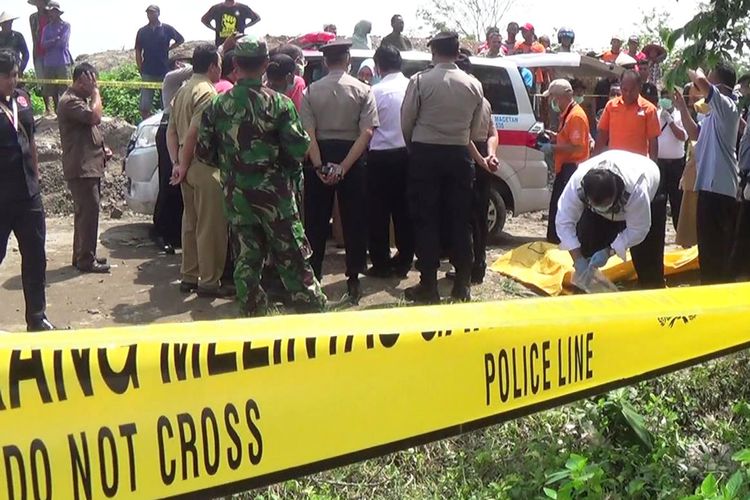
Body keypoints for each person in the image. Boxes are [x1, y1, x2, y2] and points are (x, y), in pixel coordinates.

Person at [196, 35, 327, 317]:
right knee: (292, 255)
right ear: (266, 64)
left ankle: (253, 315)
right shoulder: (279, 104)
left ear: (236, 64)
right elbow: (299, 148)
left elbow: (203, 153)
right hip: (275, 197)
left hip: (237, 197)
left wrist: (233, 164)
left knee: (246, 259)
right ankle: (313, 312)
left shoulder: (218, 106)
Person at [401, 31, 484, 304]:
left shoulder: (421, 81)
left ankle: (429, 286)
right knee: (460, 220)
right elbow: (474, 129)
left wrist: (416, 149)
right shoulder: (473, 84)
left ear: (434, 52)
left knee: (426, 220)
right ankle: (462, 284)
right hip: (459, 156)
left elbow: (407, 122)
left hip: (425, 154)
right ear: (458, 53)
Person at [300, 40, 379, 305]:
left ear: (324, 62)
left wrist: (321, 164)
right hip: (353, 158)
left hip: (319, 155)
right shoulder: (363, 90)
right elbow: (367, 132)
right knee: (354, 221)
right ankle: (354, 280)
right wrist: (344, 167)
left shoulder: (311, 91)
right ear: (348, 59)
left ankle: (314, 277)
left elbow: (307, 133)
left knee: (315, 222)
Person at [167, 44, 232, 297]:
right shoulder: (207, 93)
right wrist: (183, 165)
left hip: (185, 164)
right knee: (211, 226)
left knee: (191, 223)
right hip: (204, 164)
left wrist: (177, 165)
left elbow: (171, 131)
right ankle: (209, 281)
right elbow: (194, 133)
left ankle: (189, 275)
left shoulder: (183, 90)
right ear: (213, 66)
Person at [0, 49, 55, 331]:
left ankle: (37, 317)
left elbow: (30, 139)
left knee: (35, 257)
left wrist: (36, 177)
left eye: (16, 74)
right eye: (8, 76)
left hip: (28, 195)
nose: (14, 80)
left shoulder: (22, 98)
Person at [557, 150, 665, 289]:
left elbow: (638, 229)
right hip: (595, 210)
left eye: (606, 205)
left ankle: (651, 291)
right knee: (587, 247)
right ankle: (587, 293)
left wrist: (609, 251)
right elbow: (563, 221)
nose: (604, 209)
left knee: (648, 260)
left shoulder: (637, 189)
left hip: (650, 197)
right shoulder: (578, 183)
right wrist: (578, 260)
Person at [673, 63, 740, 285]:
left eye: (711, 80)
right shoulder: (711, 116)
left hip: (721, 189)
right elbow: (694, 133)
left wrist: (696, 73)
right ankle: (709, 287)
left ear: (721, 85)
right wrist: (682, 106)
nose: (701, 88)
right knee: (707, 246)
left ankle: (718, 291)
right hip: (708, 189)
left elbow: (703, 84)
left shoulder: (728, 107)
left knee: (718, 248)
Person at [58, 62, 112, 274]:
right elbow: (94, 117)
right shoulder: (70, 102)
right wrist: (96, 93)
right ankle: (85, 259)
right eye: (92, 81)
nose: (94, 84)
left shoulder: (79, 101)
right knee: (89, 211)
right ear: (81, 80)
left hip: (89, 165)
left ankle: (82, 253)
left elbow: (91, 129)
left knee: (86, 212)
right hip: (81, 167)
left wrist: (103, 147)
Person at [366, 45, 413, 279]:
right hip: (407, 155)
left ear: (378, 66)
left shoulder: (375, 91)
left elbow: (366, 128)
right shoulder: (412, 87)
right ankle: (405, 259)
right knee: (404, 210)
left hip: (380, 157)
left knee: (378, 213)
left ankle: (381, 262)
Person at [456, 54, 499, 284]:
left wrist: (483, 159)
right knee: (479, 216)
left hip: (470, 156)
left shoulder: (464, 97)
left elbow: (464, 136)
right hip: (482, 155)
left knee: (465, 217)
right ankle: (478, 264)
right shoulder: (483, 98)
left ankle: (469, 266)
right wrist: (490, 155)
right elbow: (493, 133)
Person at [540, 79, 591, 244]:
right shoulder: (567, 114)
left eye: (553, 97)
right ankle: (558, 241)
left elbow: (576, 147)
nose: (551, 101)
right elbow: (568, 138)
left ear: (560, 97)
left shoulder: (575, 116)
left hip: (573, 168)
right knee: (558, 208)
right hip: (565, 167)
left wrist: (552, 148)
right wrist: (556, 136)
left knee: (565, 209)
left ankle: (563, 243)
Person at [153, 53, 191, 254]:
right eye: (180, 64)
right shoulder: (171, 80)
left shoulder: (186, 85)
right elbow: (197, 68)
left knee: (179, 185)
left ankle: (175, 233)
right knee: (168, 181)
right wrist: (221, 47)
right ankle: (162, 232)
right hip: (169, 130)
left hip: (180, 130)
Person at [595, 70, 660, 159]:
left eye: (632, 90)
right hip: (615, 162)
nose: (628, 94)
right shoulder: (611, 106)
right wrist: (594, 159)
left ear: (640, 88)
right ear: (620, 87)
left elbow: (653, 140)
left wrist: (653, 164)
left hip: (637, 164)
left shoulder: (649, 109)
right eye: (624, 90)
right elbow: (602, 133)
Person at [135, 5, 184, 120]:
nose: (150, 15)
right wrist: (140, 67)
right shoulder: (142, 31)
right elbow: (138, 50)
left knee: (166, 104)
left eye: (152, 12)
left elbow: (180, 39)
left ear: (158, 13)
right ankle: (147, 125)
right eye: (148, 13)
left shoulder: (166, 28)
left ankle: (165, 126)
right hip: (148, 70)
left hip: (164, 70)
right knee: (144, 105)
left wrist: (170, 48)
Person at [657, 89, 687, 230]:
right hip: (660, 164)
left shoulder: (680, 116)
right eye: (663, 97)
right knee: (659, 201)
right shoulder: (655, 115)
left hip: (676, 165)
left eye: (667, 97)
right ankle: (659, 234)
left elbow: (682, 136)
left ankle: (680, 234)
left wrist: (670, 121)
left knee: (677, 201)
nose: (665, 99)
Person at [41, 1, 71, 111]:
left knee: (65, 89)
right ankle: (58, 112)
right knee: (52, 90)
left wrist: (51, 42)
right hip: (49, 63)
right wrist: (54, 40)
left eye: (52, 11)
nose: (50, 14)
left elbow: (62, 43)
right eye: (49, 12)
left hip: (62, 62)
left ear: (57, 12)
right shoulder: (46, 28)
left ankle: (66, 111)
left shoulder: (66, 26)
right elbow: (43, 44)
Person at [28, 0, 51, 114]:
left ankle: (56, 107)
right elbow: (34, 35)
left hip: (50, 52)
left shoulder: (50, 15)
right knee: (41, 81)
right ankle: (47, 108)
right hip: (38, 52)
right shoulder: (32, 18)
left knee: (53, 79)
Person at [270, 44, 306, 111]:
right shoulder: (298, 82)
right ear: (298, 60)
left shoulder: (268, 80)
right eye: (304, 61)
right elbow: (299, 110)